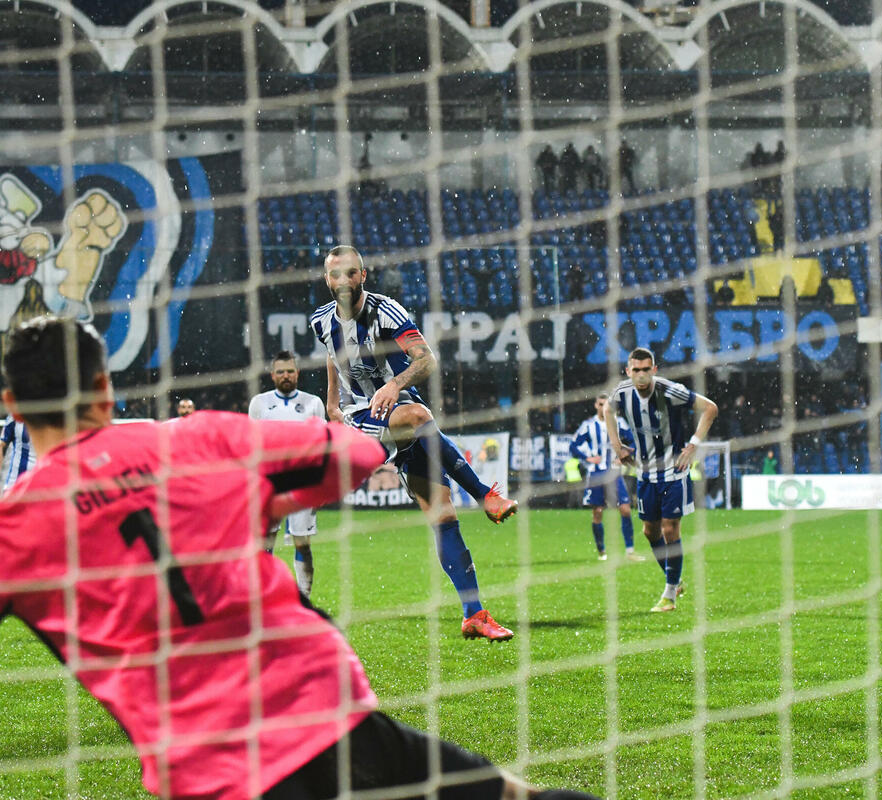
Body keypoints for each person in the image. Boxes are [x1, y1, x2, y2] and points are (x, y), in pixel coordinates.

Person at [0, 316, 598, 800]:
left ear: (13, 406)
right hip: (326, 706)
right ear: (104, 387)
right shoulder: (195, 439)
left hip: (210, 767)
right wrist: (259, 495)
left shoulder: (16, 526)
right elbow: (351, 455)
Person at [311, 245, 517, 641]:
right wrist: (332, 403)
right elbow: (331, 356)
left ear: (363, 276)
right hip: (361, 416)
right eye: (335, 274)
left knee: (444, 518)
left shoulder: (387, 311)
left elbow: (426, 360)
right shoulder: (321, 320)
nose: (343, 281)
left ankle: (474, 614)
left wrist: (393, 384)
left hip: (397, 410)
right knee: (420, 416)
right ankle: (484, 496)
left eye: (351, 273)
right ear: (327, 279)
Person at [605, 347, 718, 611]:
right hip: (645, 473)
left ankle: (669, 595)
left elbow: (710, 409)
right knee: (650, 532)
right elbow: (608, 410)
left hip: (673, 471)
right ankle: (675, 580)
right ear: (628, 371)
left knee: (670, 529)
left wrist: (693, 445)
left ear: (654, 370)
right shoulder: (622, 393)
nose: (641, 375)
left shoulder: (670, 391)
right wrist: (617, 446)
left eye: (646, 369)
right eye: (636, 370)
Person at [248, 350, 326, 596]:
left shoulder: (313, 403)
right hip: (270, 482)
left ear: (297, 373)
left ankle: (304, 597)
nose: (285, 376)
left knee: (302, 544)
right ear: (272, 375)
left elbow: (323, 446)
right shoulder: (259, 403)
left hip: (303, 482)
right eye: (280, 372)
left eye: (290, 371)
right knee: (265, 544)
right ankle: (265, 597)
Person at [570, 395, 646, 563]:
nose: (603, 407)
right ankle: (601, 550)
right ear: (596, 405)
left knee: (625, 509)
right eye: (600, 404)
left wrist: (624, 454)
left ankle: (630, 551)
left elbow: (634, 441)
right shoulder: (588, 425)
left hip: (614, 473)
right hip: (596, 473)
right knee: (597, 512)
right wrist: (587, 458)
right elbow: (573, 446)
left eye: (606, 404)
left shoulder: (619, 422)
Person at [0, 413, 34, 491]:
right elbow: (1, 444)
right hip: (14, 483)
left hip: (42, 484)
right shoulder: (14, 416)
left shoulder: (50, 416)